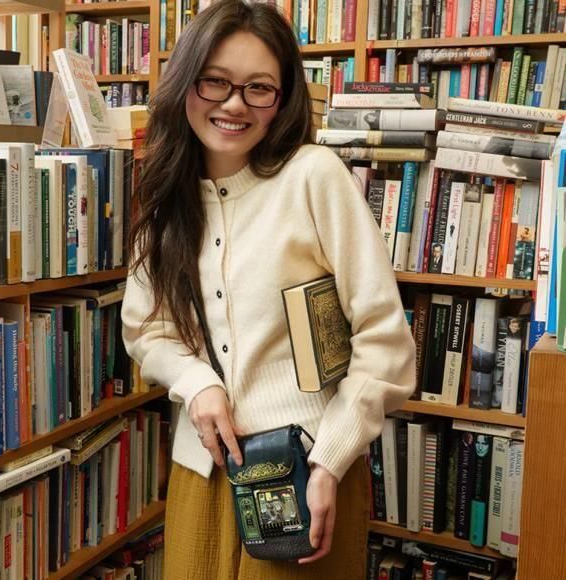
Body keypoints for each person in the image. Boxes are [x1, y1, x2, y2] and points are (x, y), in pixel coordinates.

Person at [121, 1, 416, 579]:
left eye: (259, 88)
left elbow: (384, 342)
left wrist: (330, 461)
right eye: (215, 81)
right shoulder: (165, 196)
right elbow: (147, 328)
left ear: (282, 100)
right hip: (202, 473)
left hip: (308, 471)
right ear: (185, 83)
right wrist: (197, 383)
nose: (234, 104)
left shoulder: (314, 176)